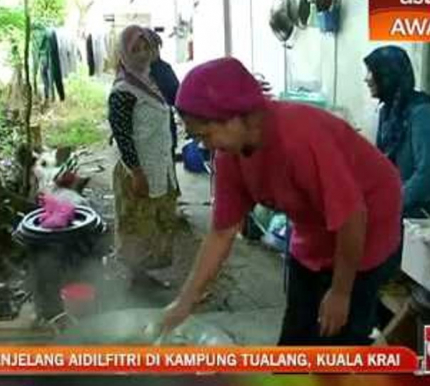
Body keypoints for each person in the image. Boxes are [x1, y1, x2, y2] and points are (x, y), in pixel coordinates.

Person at [159, 57, 403, 345]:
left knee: (340, 334)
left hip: (367, 221)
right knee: (299, 330)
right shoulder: (229, 155)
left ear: (238, 115)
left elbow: (352, 216)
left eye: (207, 134)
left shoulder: (299, 137)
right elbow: (222, 232)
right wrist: (184, 302)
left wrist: (340, 292)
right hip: (315, 225)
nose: (204, 145)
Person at [107, 25, 180, 286]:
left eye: (145, 48)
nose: (141, 54)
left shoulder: (152, 80)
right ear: (124, 53)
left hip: (160, 164)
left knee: (156, 223)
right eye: (134, 49)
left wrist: (156, 60)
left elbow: (175, 94)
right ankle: (134, 278)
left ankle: (144, 275)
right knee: (136, 224)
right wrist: (137, 173)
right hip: (136, 171)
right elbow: (123, 135)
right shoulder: (123, 90)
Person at [364, 46, 430, 220]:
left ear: (388, 75)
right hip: (401, 207)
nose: (366, 79)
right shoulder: (388, 112)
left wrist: (389, 202)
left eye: (371, 72)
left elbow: (429, 173)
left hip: (425, 214)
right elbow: (382, 165)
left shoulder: (422, 113)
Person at [145, 29, 181, 158]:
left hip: (165, 128)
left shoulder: (164, 69)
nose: (153, 52)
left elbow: (177, 96)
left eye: (156, 47)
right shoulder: (131, 74)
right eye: (148, 47)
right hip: (142, 134)